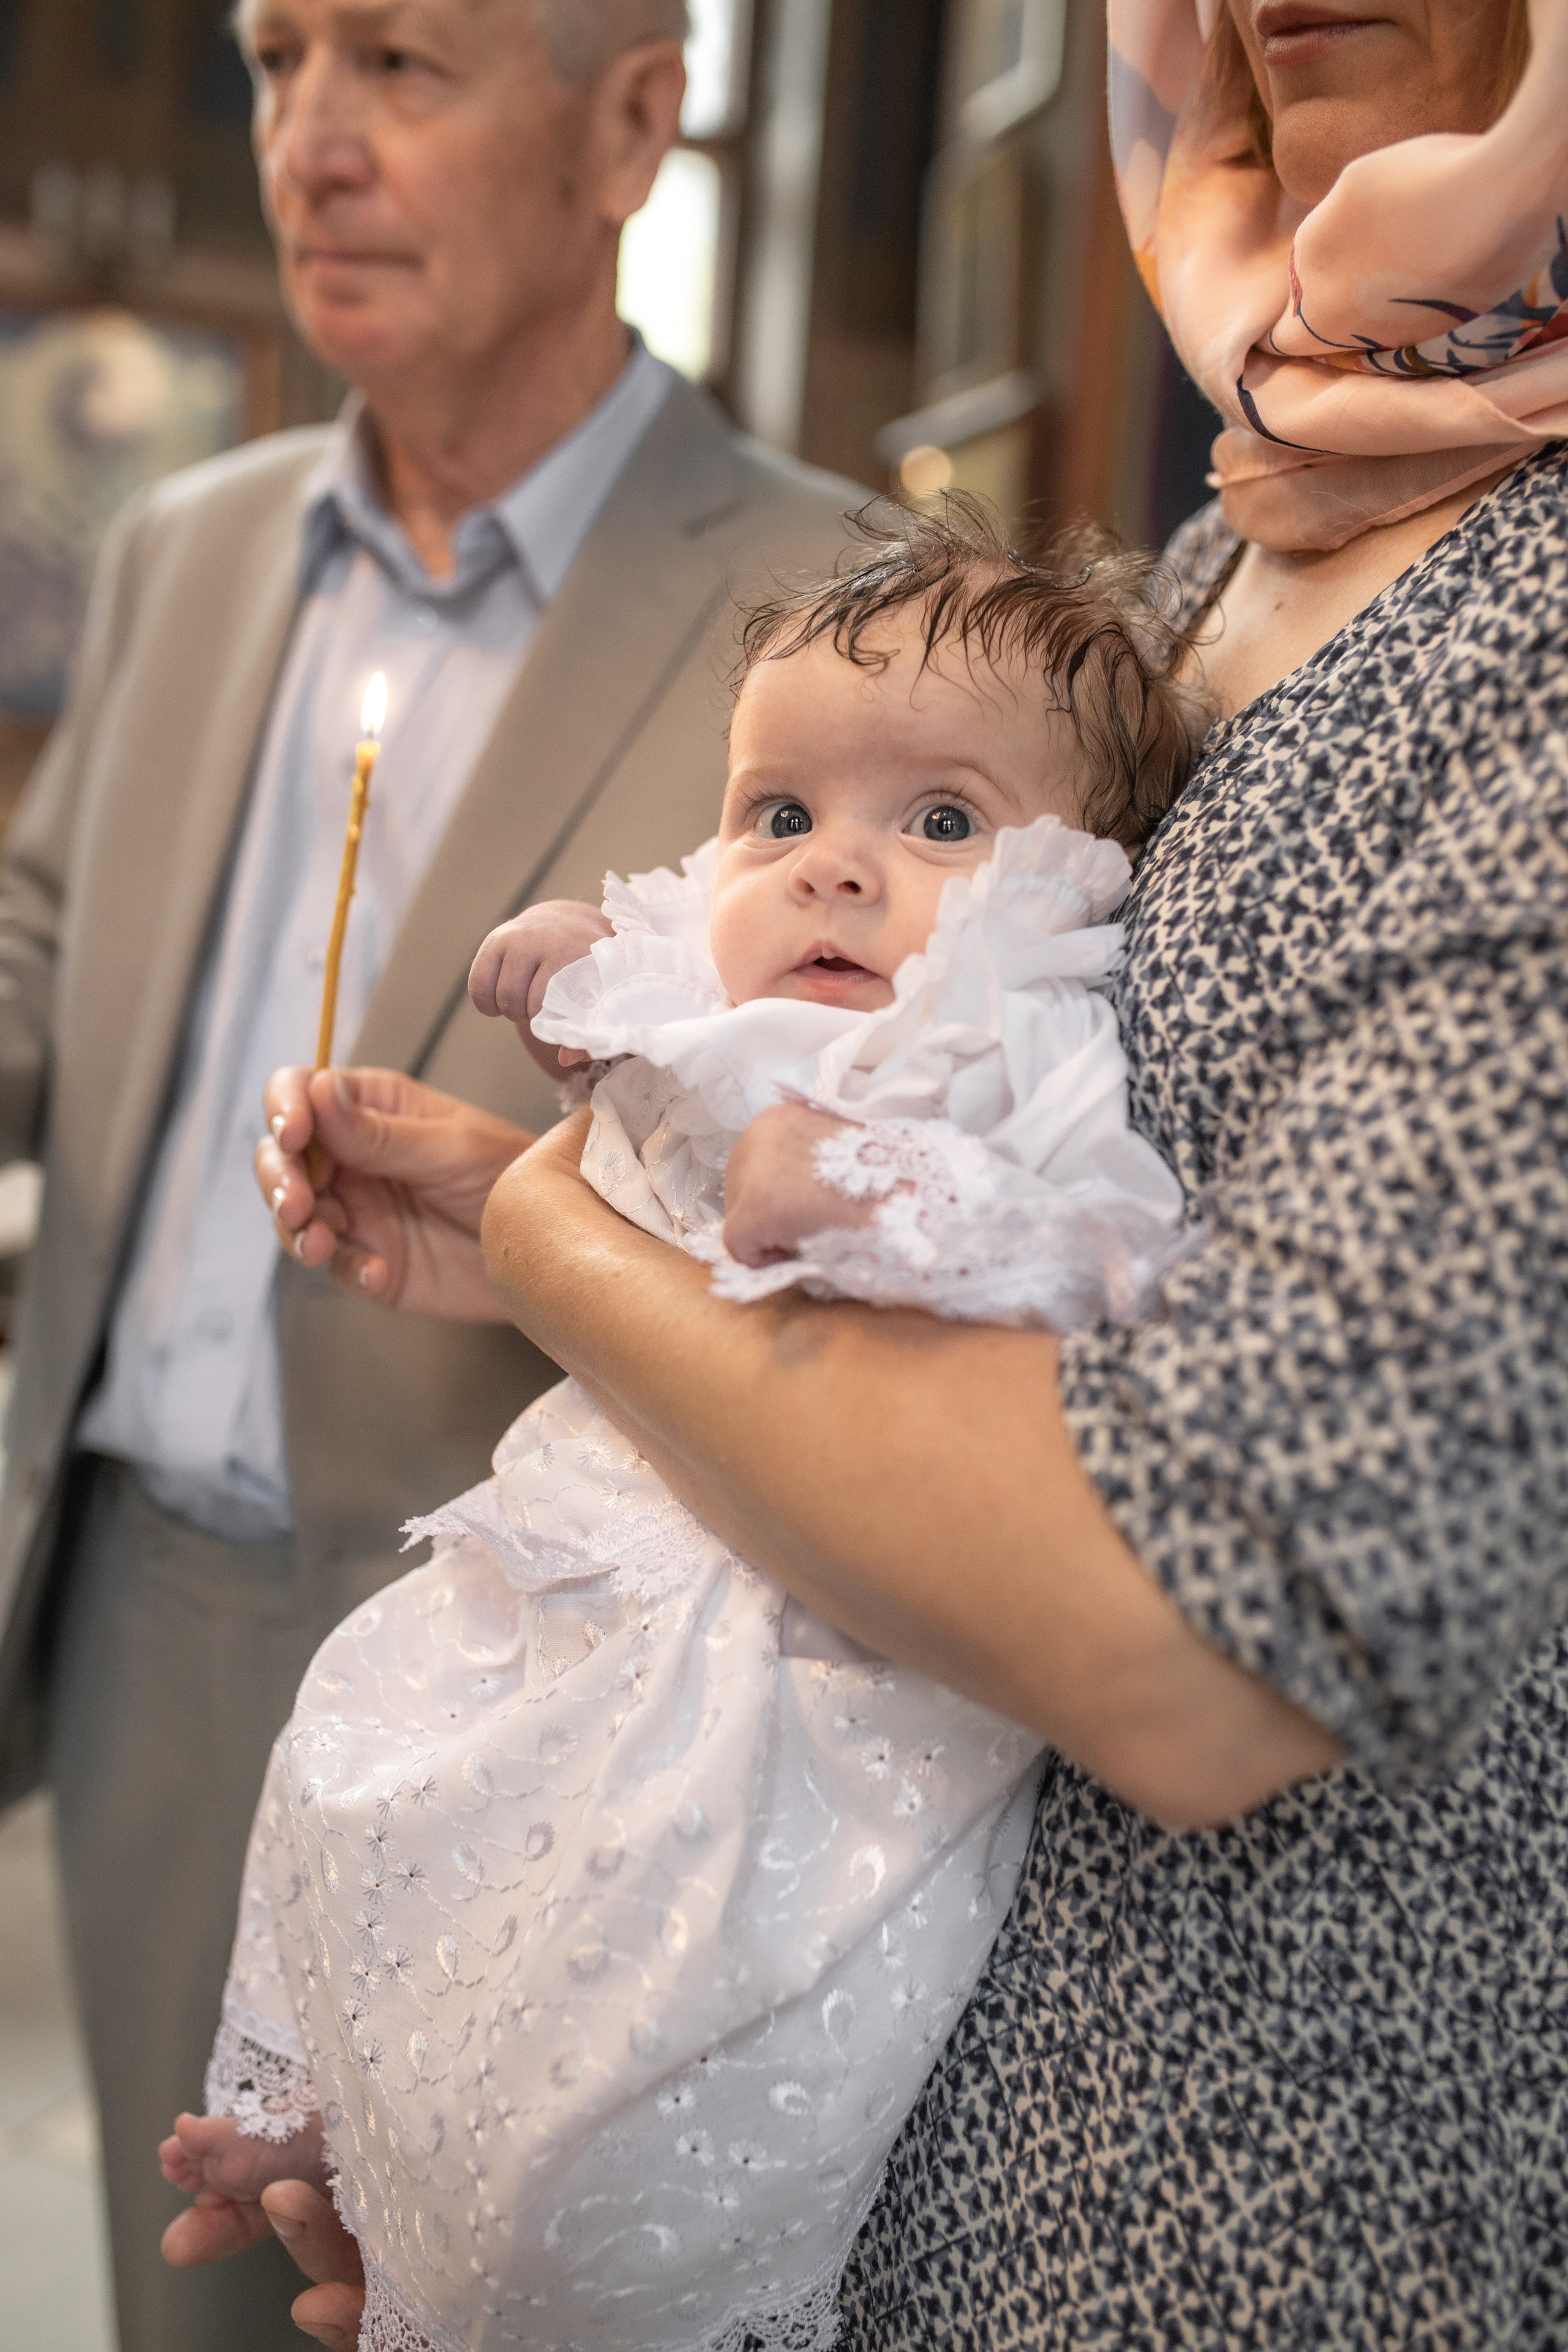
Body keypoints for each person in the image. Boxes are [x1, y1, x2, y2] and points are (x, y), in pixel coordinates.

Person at [216, 0, 1567, 2341]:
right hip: (866, 2137)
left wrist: (560, 1238)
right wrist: (525, 2117)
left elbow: (1209, 1624)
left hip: (1249, 2223)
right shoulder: (1222, 549)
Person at [0, 2, 856, 2346]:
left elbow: (891, 1179)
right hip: (144, 1622)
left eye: (398, 62)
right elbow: (49, 950)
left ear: (634, 124)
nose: (307, 143)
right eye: (279, 58)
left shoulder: (841, 609)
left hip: (549, 1700)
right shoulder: (185, 549)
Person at [159, 505, 1205, 2352]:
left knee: (646, 1997)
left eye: (941, 822)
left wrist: (881, 1189)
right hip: (599, 1557)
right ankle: (326, 2096)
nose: (832, 870)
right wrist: (578, 967)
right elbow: (642, 1001)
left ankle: (546, 2271)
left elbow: (1114, 1256)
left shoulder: (1029, 1035)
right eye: (780, 813)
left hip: (808, 1655)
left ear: (1081, 880)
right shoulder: (734, 974)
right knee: (370, 1772)